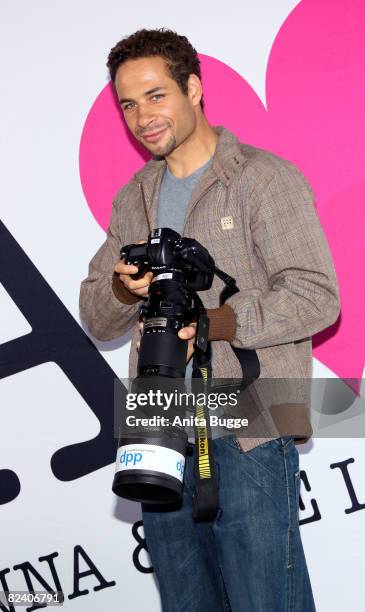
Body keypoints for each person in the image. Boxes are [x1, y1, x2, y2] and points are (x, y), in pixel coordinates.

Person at [79, 28, 340, 612]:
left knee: (266, 602)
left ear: (193, 88)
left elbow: (318, 296)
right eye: (128, 104)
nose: (142, 117)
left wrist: (219, 322)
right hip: (159, 428)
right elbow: (97, 317)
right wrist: (123, 289)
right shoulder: (134, 199)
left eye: (155, 95)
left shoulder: (262, 178)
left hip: (250, 427)